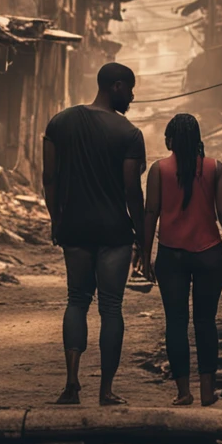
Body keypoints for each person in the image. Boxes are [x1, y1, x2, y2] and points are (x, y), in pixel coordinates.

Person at [42, 62, 147, 406]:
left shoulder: (60, 123)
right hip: (115, 231)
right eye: (130, 89)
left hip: (74, 228)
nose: (132, 96)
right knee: (111, 308)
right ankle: (106, 390)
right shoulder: (129, 133)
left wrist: (56, 220)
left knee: (76, 301)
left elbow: (49, 178)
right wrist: (144, 241)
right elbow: (133, 192)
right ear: (116, 86)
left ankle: (71, 383)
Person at [144, 113, 222, 407]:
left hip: (170, 255)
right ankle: (206, 392)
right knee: (205, 322)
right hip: (210, 254)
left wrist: (145, 252)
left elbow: (150, 213)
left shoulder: (158, 170)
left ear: (170, 140)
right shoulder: (216, 168)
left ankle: (182, 393)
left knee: (176, 323)